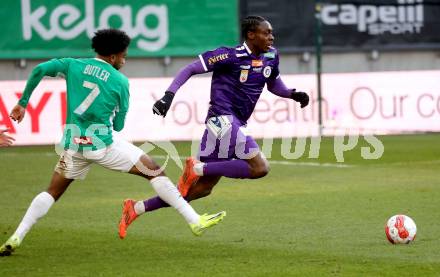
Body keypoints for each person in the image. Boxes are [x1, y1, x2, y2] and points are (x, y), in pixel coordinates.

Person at [0, 29, 225, 257]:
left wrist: (23, 103)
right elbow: (117, 126)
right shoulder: (120, 82)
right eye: (124, 56)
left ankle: (17, 235)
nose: (125, 61)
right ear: (114, 57)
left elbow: (40, 69)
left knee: (52, 192)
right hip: (102, 146)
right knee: (155, 171)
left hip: (73, 145)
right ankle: (194, 220)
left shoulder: (72, 65)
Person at [118, 15, 309, 237]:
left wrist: (292, 94)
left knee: (198, 190)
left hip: (232, 124)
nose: (271, 37)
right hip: (221, 119)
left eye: (271, 33)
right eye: (266, 33)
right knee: (260, 168)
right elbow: (190, 68)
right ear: (251, 35)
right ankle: (197, 167)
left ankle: (136, 208)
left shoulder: (271, 56)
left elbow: (273, 82)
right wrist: (168, 96)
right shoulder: (229, 55)